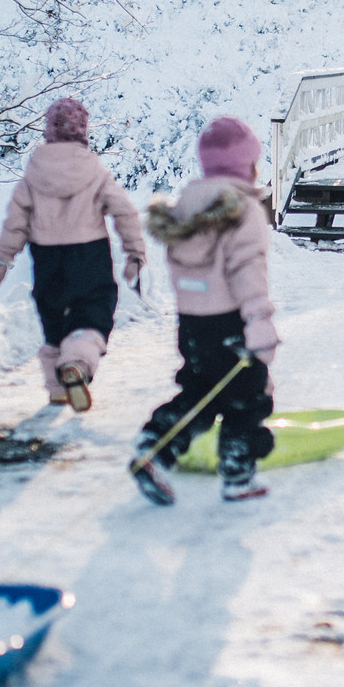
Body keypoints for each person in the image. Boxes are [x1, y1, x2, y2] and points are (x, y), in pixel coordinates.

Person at [130, 115, 278, 505]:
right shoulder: (242, 209)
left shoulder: (186, 206)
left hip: (193, 324)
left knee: (200, 392)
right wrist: (260, 325)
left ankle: (155, 445)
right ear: (247, 165)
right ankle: (237, 474)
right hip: (232, 322)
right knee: (247, 396)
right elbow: (248, 272)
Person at [0, 97, 145, 412]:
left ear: (48, 131)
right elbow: (125, 213)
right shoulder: (94, 171)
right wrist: (135, 252)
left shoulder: (33, 174)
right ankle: (77, 365)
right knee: (93, 314)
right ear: (83, 131)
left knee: (54, 321)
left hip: (47, 259)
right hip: (89, 255)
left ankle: (56, 389)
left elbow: (15, 226)